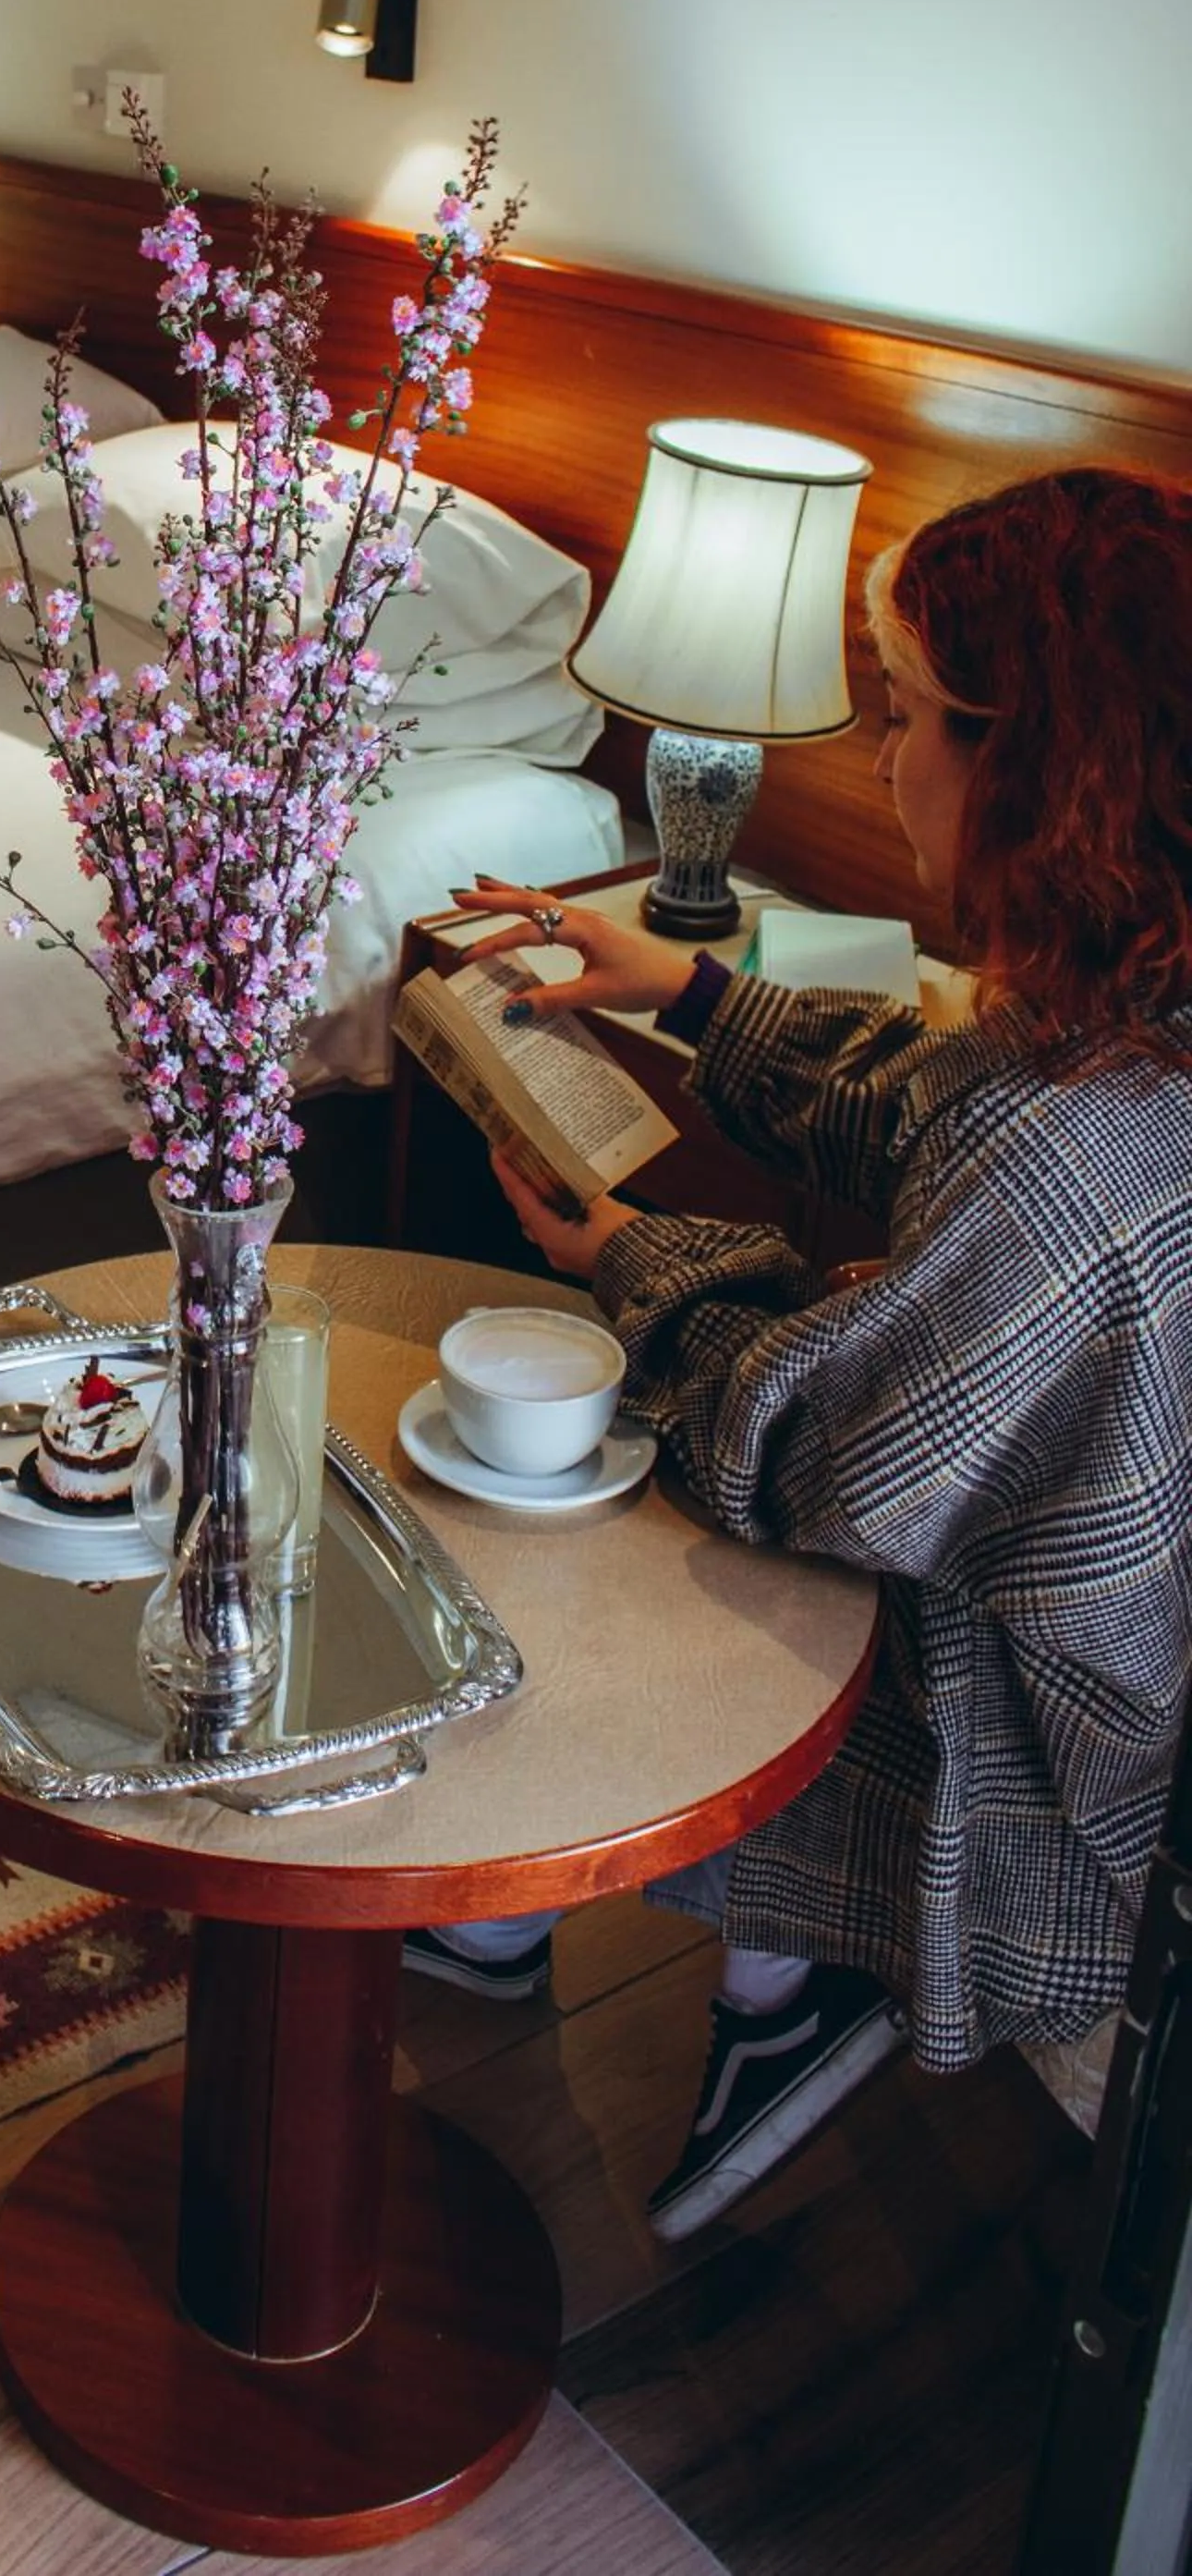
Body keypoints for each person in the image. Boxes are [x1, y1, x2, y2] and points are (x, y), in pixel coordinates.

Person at [405, 466, 1192, 2239]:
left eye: (905, 717)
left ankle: (782, 1986)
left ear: (1040, 766)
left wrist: (635, 1261)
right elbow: (932, 1112)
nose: (883, 758)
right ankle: (717, 1967)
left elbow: (812, 1446)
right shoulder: (1135, 1023)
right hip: (1111, 1656)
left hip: (1072, 1786)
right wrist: (685, 991)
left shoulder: (1085, 1150)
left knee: (619, 1447)